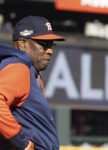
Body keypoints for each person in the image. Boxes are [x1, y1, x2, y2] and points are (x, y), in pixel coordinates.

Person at [0, 16, 65, 150]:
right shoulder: (18, 67)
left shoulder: (31, 71)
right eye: (44, 44)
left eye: (51, 45)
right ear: (23, 44)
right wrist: (23, 142)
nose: (50, 50)